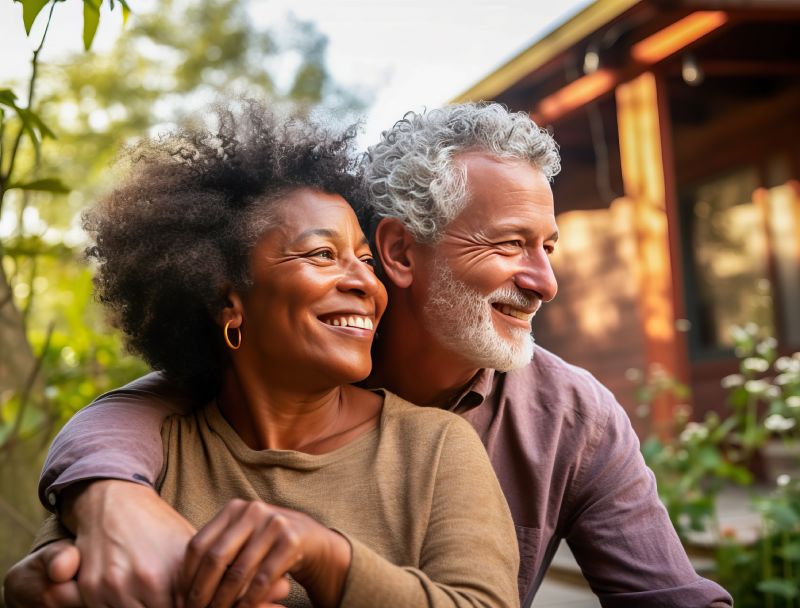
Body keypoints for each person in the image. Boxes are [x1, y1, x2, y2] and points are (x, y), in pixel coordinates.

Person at [6, 102, 732, 607]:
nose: (545, 281)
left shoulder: (565, 418)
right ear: (400, 252)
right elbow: (131, 411)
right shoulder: (294, 350)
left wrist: (322, 556)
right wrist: (110, 501)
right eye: (509, 244)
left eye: (547, 247)